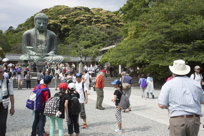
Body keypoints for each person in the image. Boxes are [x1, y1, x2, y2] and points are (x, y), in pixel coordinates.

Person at [158, 60, 204, 136]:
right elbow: (202, 101)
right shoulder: (196, 84)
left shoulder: (168, 84)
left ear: (173, 72)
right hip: (194, 119)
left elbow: (162, 105)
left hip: (177, 119)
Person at [0, 65, 15, 136]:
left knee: (2, 125)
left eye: (0, 72)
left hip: (4, 105)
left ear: (3, 72)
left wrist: (12, 107)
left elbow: (11, 94)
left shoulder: (8, 81)